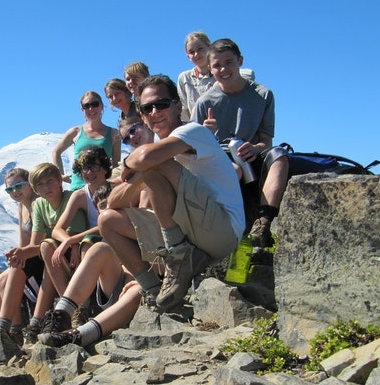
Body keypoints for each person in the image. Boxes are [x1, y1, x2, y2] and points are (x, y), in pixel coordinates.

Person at [99, 74, 245, 313]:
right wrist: (138, 174)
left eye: (161, 104)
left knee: (154, 163)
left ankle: (178, 258)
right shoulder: (157, 148)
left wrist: (130, 165)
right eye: (147, 108)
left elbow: (147, 158)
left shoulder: (193, 131)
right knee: (107, 221)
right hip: (191, 231)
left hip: (222, 232)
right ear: (142, 116)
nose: (154, 112)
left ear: (178, 106)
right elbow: (112, 203)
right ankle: (153, 290)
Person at [192, 38, 289, 248]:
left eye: (229, 62)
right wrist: (206, 134)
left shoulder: (263, 95)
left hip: (251, 152)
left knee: (280, 155)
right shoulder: (204, 102)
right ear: (210, 68)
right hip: (221, 156)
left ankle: (263, 223)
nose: (223, 69)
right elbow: (192, 149)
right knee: (232, 169)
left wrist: (255, 148)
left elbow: (266, 140)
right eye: (217, 65)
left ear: (240, 61)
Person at [38, 183, 143, 348]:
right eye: (103, 206)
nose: (109, 208)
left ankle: (78, 336)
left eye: (114, 202)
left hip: (139, 288)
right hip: (117, 285)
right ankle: (60, 316)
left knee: (136, 291)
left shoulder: (139, 222)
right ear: (97, 212)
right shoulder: (106, 231)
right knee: (99, 249)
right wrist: (72, 240)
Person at [0, 162, 88, 344]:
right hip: (53, 254)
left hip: (73, 254)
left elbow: (74, 234)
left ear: (59, 181)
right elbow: (34, 243)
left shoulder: (70, 199)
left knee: (46, 251)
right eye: (40, 185)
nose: (46, 188)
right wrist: (20, 253)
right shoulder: (39, 205)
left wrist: (72, 245)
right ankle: (2, 329)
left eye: (50, 182)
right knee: (21, 262)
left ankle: (59, 314)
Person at [40, 145, 112, 302]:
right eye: (85, 168)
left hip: (110, 241)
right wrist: (70, 242)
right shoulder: (80, 195)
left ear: (105, 168)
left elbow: (110, 224)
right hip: (89, 242)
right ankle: (72, 306)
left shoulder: (115, 188)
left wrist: (75, 239)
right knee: (47, 246)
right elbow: (57, 229)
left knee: (87, 244)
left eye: (94, 166)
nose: (89, 173)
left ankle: (85, 301)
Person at [0, 168, 38, 338]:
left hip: (39, 257)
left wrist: (21, 256)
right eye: (10, 189)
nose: (15, 192)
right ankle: (2, 334)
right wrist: (17, 256)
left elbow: (36, 242)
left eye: (18, 186)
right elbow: (23, 241)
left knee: (6, 281)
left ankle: (13, 331)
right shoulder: (21, 206)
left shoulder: (37, 203)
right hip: (29, 255)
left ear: (30, 184)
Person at [177, 31, 255, 122]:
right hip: (196, 125)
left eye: (200, 49)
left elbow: (249, 74)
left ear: (209, 48)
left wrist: (217, 84)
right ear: (188, 56)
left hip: (223, 123)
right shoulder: (184, 78)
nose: (196, 54)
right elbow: (183, 110)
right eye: (191, 52)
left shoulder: (221, 73)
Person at [53, 91, 121, 191]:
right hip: (77, 188)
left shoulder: (114, 134)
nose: (91, 108)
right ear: (82, 109)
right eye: (86, 106)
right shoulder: (75, 132)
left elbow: (116, 165)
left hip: (101, 190)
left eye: (95, 104)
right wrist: (59, 176)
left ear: (102, 106)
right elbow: (56, 152)